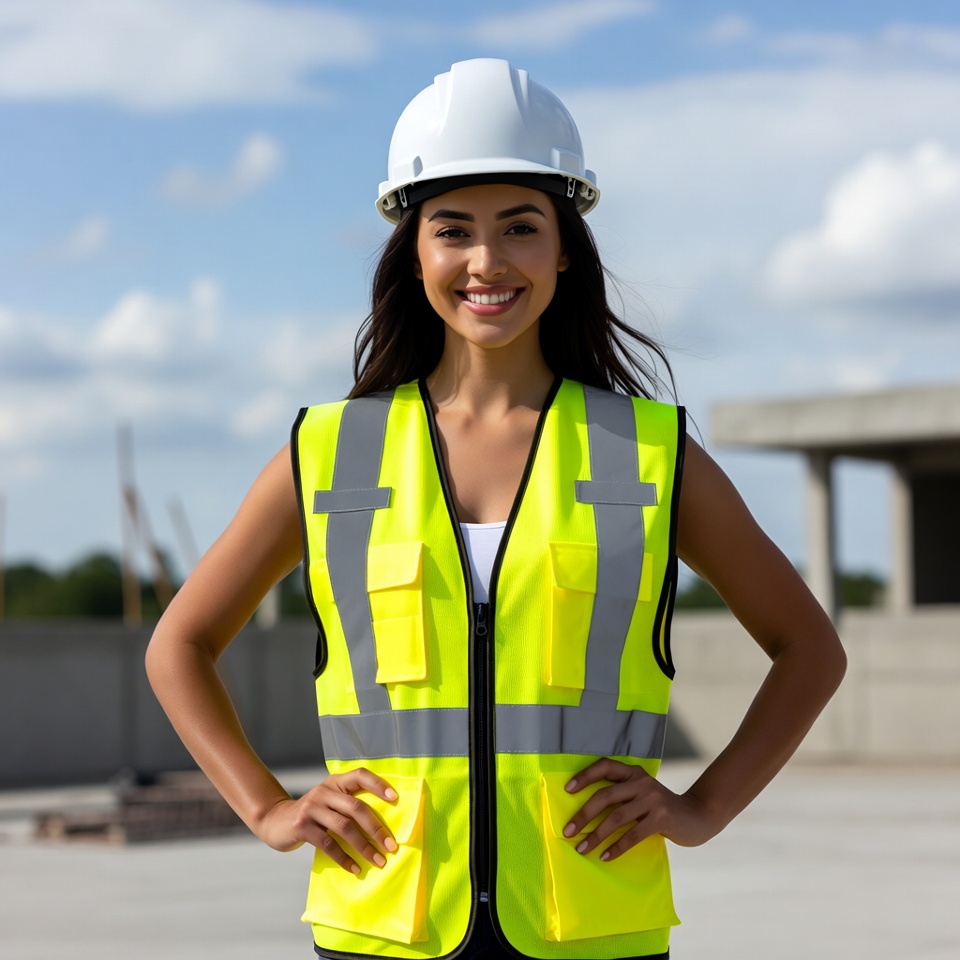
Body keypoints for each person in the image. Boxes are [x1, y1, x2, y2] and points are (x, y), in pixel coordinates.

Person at [146, 58, 846, 960]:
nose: (487, 261)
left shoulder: (650, 453)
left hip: (588, 924)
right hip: (383, 924)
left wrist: (704, 807)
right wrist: (267, 808)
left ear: (564, 248)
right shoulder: (330, 452)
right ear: (415, 253)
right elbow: (179, 645)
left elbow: (809, 649)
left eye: (520, 227)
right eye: (453, 231)